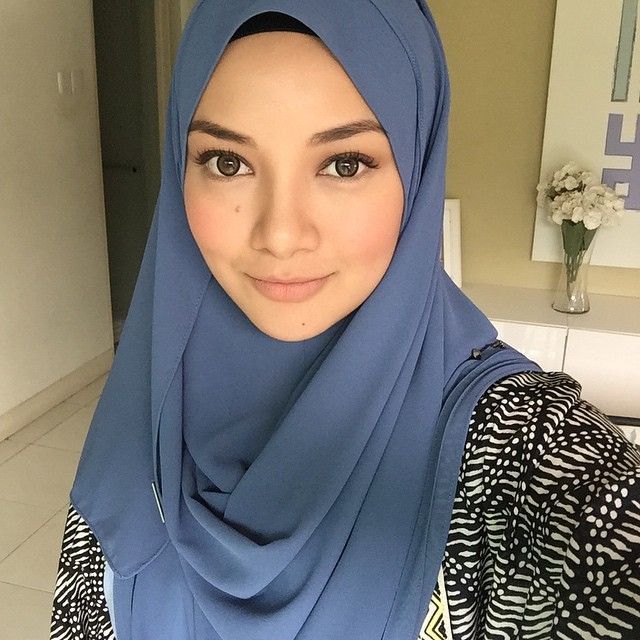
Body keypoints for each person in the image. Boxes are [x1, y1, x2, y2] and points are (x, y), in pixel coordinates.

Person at [50, 2, 640, 639]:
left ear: (416, 171)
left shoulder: (529, 458)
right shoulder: (146, 416)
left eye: (345, 164)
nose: (281, 235)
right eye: (226, 162)